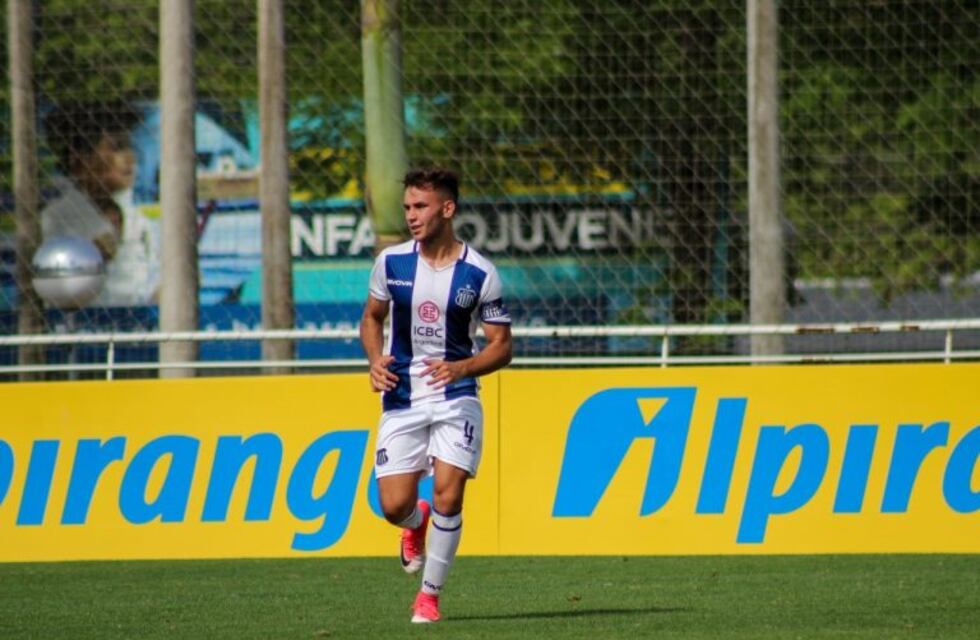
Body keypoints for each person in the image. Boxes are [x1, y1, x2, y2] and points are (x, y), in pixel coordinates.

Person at [359, 168, 512, 624]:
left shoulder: (479, 273)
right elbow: (371, 318)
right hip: (403, 395)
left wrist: (461, 367)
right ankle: (413, 524)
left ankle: (429, 597)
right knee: (393, 507)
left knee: (450, 495)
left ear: (447, 209)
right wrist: (374, 359)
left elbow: (502, 346)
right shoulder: (391, 263)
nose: (411, 215)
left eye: (420, 207)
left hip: (457, 394)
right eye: (407, 207)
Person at [41, 102, 159, 307]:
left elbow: (155, 281)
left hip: (138, 330)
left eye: (130, 147)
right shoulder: (56, 219)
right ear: (80, 160)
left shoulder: (139, 222)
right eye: (116, 148)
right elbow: (54, 295)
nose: (130, 159)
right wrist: (88, 260)